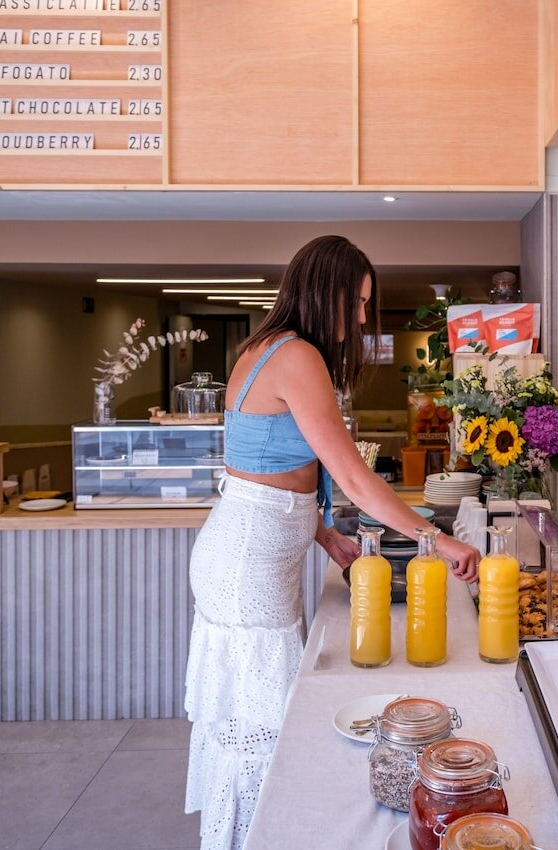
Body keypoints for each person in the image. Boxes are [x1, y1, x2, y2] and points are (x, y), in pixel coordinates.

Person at [183, 235, 481, 850]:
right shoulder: (296, 356)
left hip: (247, 547)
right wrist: (435, 539)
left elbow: (266, 466)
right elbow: (350, 476)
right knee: (267, 728)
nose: (364, 318)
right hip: (249, 562)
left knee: (258, 718)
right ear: (329, 294)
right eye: (360, 302)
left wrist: (320, 534)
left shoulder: (269, 347)